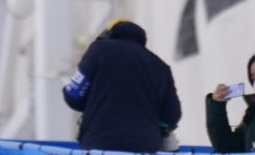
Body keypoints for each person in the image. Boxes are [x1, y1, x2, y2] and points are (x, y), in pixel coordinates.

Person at [62, 18, 182, 152]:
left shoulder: (99, 50)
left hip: (100, 143)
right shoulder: (160, 66)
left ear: (108, 34)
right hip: (144, 147)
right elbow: (172, 116)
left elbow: (73, 96)